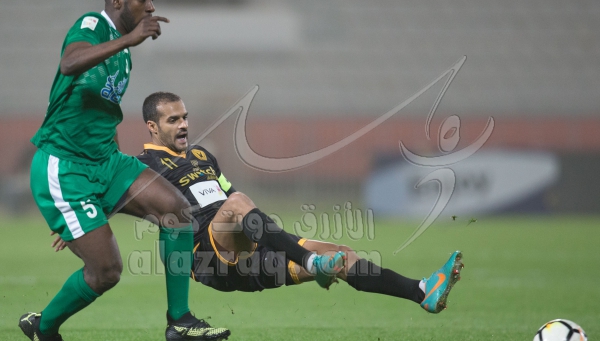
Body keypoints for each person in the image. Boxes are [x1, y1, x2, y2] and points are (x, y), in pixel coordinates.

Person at [20, 0, 239, 341]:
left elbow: (104, 116)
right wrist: (129, 38)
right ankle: (44, 327)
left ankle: (179, 319)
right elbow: (70, 63)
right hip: (65, 169)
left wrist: (114, 192)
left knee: (176, 211)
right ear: (117, 1)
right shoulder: (92, 26)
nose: (151, 7)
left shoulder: (122, 56)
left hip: (106, 161)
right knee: (106, 272)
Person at [132, 91, 464, 309]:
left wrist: (271, 237)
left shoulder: (203, 156)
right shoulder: (143, 167)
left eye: (184, 117)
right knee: (238, 204)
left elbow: (228, 196)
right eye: (173, 120)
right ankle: (310, 263)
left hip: (246, 253)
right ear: (152, 127)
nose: (183, 125)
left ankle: (422, 291)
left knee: (340, 255)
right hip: (206, 255)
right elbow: (128, 203)